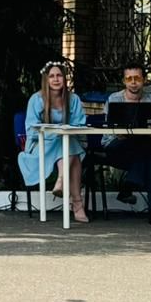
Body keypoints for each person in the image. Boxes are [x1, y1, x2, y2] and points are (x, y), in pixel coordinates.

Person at [18, 61, 89, 222]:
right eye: (52, 76)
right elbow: (31, 130)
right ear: (46, 80)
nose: (56, 79)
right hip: (40, 147)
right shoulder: (36, 99)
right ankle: (77, 204)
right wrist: (55, 133)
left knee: (68, 142)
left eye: (59, 76)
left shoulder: (74, 99)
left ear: (64, 78)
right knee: (70, 149)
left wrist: (63, 132)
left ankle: (62, 181)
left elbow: (80, 124)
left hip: (67, 145)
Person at [102, 61, 151, 225]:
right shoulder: (114, 99)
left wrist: (150, 132)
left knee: (148, 154)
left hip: (140, 150)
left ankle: (130, 189)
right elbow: (112, 133)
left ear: (144, 80)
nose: (133, 82)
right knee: (147, 152)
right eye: (129, 78)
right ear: (124, 81)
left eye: (137, 78)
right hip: (117, 147)